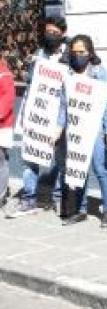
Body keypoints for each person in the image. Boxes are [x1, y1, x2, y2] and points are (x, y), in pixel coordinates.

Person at [7, 16, 68, 218]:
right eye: (47, 32)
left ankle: (59, 198)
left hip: (58, 116)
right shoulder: (39, 54)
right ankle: (29, 199)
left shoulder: (68, 56)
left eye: (54, 32)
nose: (49, 35)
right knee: (29, 159)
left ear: (63, 34)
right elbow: (31, 82)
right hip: (36, 115)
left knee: (60, 160)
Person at [57, 35, 107, 227]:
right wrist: (59, 127)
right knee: (78, 169)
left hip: (97, 130)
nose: (78, 55)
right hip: (76, 130)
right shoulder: (68, 74)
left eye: (81, 51)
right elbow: (64, 105)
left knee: (101, 170)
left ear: (90, 52)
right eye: (74, 52)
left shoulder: (99, 73)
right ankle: (81, 210)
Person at [0, 54, 14, 210]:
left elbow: (7, 100)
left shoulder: (5, 74)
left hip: (2, 127)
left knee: (1, 161)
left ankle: (1, 194)